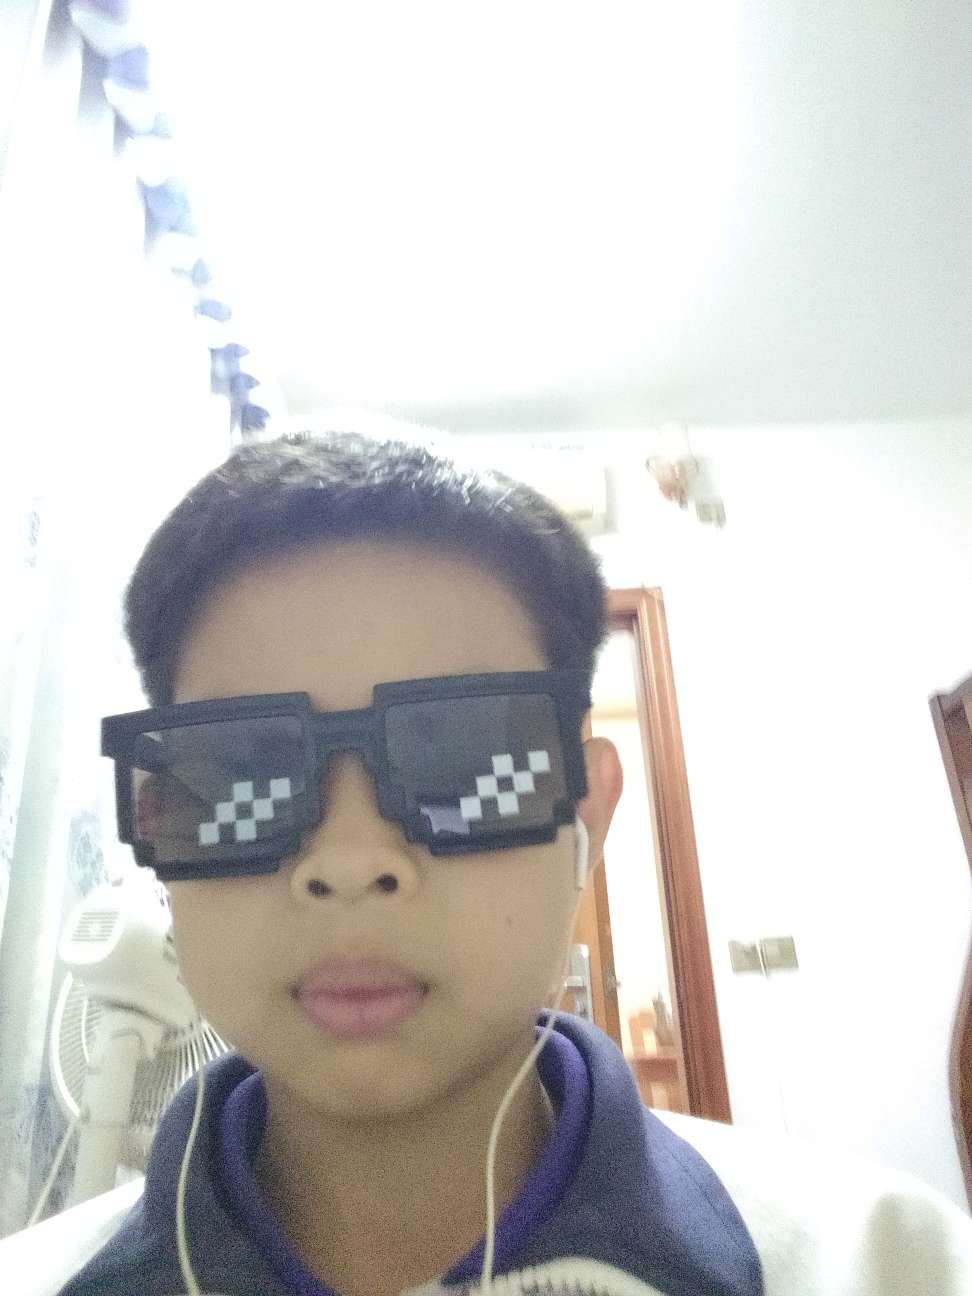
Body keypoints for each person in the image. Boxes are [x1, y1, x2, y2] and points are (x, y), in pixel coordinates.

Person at [2, 429, 971, 1296]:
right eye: (244, 774)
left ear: (588, 814)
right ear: (158, 828)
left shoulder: (893, 1265)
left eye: (466, 768)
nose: (350, 861)